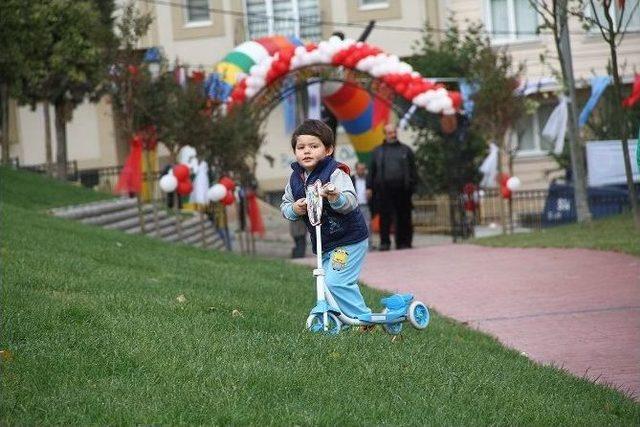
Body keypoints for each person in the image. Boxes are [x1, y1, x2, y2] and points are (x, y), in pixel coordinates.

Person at [281, 119, 373, 323]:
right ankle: (341, 320)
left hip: (348, 240)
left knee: (336, 281)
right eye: (301, 147)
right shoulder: (295, 179)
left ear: (328, 149)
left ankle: (363, 319)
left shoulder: (335, 173)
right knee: (325, 284)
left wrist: (335, 196)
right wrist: (295, 208)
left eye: (314, 146)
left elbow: (350, 202)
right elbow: (285, 206)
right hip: (325, 244)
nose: (307, 151)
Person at [368, 123, 418, 251]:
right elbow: (371, 171)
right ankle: (385, 242)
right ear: (385, 134)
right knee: (385, 217)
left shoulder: (406, 150)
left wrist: (413, 186)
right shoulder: (377, 151)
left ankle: (404, 242)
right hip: (384, 190)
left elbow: (413, 170)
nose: (393, 135)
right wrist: (369, 187)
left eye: (394, 132)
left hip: (403, 189)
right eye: (390, 132)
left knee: (404, 216)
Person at [351, 162, 373, 249]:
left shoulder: (369, 179)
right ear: (356, 169)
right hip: (354, 206)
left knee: (367, 225)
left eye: (363, 169)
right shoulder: (351, 179)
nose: (361, 171)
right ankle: (356, 246)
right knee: (354, 226)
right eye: (359, 169)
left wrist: (371, 193)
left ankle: (369, 245)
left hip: (366, 205)